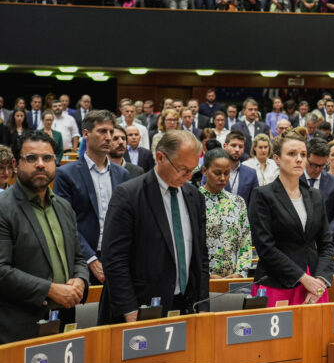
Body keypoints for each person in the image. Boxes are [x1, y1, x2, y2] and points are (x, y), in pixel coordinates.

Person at [98, 130, 208, 323]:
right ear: (160, 158)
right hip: (140, 308)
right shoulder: (128, 195)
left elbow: (201, 256)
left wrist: (203, 304)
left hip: (185, 305)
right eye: (184, 169)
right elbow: (114, 259)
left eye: (193, 170)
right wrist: (129, 310)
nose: (190, 176)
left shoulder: (194, 196)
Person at [0, 131, 89, 343]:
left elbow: (78, 258)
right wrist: (49, 289)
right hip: (19, 328)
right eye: (31, 158)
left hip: (65, 321)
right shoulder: (4, 208)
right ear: (15, 164)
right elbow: (2, 270)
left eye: (47, 158)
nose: (40, 164)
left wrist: (81, 280)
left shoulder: (64, 207)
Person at [248, 131, 334, 306]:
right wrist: (303, 278)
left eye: (303, 154)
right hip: (278, 283)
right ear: (277, 159)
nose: (299, 159)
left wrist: (321, 280)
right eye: (292, 154)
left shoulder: (315, 196)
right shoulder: (263, 195)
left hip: (315, 287)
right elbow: (266, 248)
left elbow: (326, 244)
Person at [53, 110, 131, 284]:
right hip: (81, 259)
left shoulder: (122, 174)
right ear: (86, 134)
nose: (109, 137)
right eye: (102, 131)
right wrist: (90, 259)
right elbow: (65, 223)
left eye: (111, 132)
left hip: (117, 257)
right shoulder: (66, 174)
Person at [199, 148, 253, 278]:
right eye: (217, 173)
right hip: (202, 279)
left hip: (233, 280)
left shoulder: (237, 202)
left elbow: (245, 241)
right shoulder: (194, 200)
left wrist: (240, 273)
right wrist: (206, 274)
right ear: (205, 171)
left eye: (227, 173)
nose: (223, 178)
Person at [302, 138, 334, 239]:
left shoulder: (333, 182)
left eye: (321, 166)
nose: (317, 169)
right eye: (313, 164)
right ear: (305, 158)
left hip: (325, 241)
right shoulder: (294, 179)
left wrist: (327, 234)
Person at [221, 131, 260, 209]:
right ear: (225, 146)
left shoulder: (251, 173)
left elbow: (255, 203)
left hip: (244, 219)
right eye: (233, 145)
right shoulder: (213, 171)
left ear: (244, 149)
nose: (237, 149)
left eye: (240, 146)